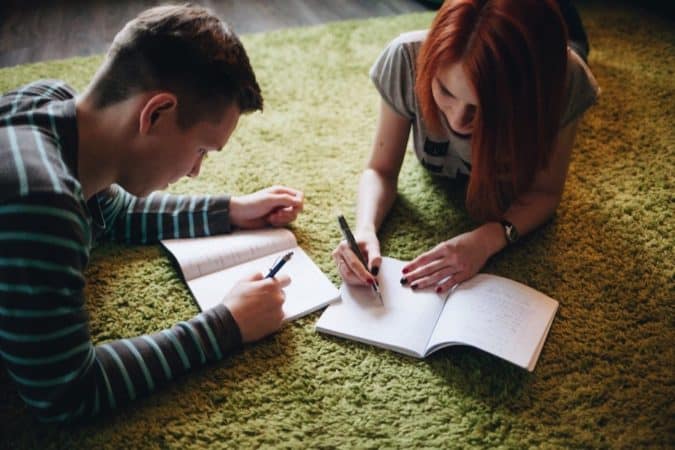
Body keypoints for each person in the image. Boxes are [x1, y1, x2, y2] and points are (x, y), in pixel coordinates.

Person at [0, 4, 304, 423]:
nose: (197, 171)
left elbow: (116, 213)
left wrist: (230, 210)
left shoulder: (49, 101)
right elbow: (66, 391)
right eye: (201, 149)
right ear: (156, 114)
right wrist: (227, 325)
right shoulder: (41, 202)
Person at [333, 0, 599, 293]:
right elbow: (380, 170)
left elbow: (545, 193)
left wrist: (487, 240)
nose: (459, 119)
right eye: (445, 91)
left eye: (484, 107)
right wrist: (365, 228)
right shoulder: (407, 58)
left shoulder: (566, 81)